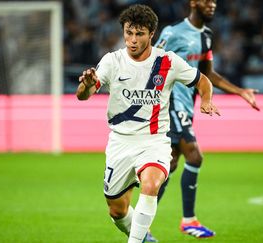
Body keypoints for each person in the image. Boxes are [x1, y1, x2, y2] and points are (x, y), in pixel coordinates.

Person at [76, 4, 220, 243]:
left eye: (139, 34)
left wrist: (206, 99)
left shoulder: (168, 62)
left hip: (154, 141)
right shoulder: (112, 61)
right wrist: (87, 84)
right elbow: (84, 94)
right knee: (117, 210)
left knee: (151, 184)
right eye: (128, 32)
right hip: (120, 142)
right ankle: (143, 238)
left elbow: (203, 80)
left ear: (151, 34)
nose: (132, 40)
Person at [145, 0, 260, 241]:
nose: (212, 5)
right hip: (170, 104)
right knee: (194, 155)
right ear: (194, 2)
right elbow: (151, 64)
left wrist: (239, 91)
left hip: (188, 105)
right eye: (207, 1)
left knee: (170, 165)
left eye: (214, 2)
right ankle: (188, 221)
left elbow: (207, 74)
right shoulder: (172, 33)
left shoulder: (206, 36)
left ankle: (140, 224)